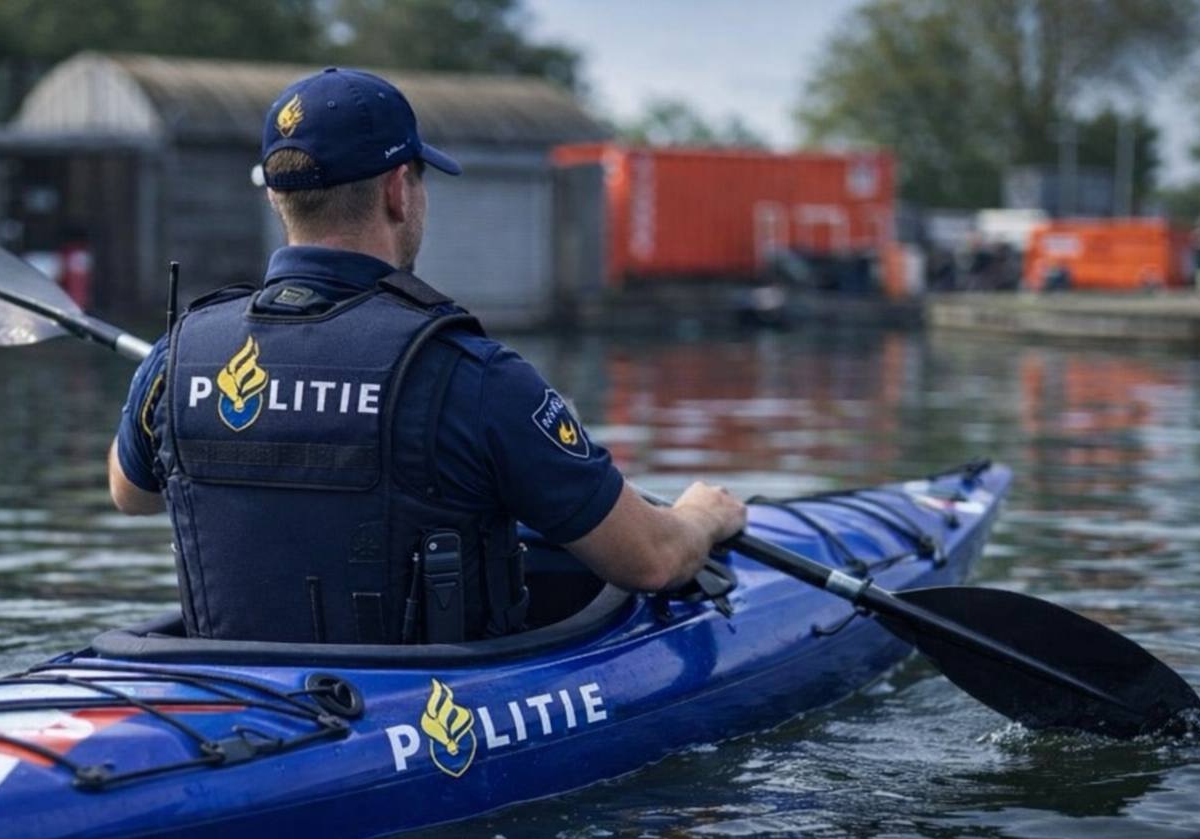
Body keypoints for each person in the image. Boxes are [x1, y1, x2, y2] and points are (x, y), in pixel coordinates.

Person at [108, 67, 745, 644]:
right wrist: (699, 517)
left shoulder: (177, 356)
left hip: (222, 697)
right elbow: (653, 560)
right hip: (412, 709)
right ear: (398, 191)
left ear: (277, 197)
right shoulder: (474, 376)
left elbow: (130, 493)